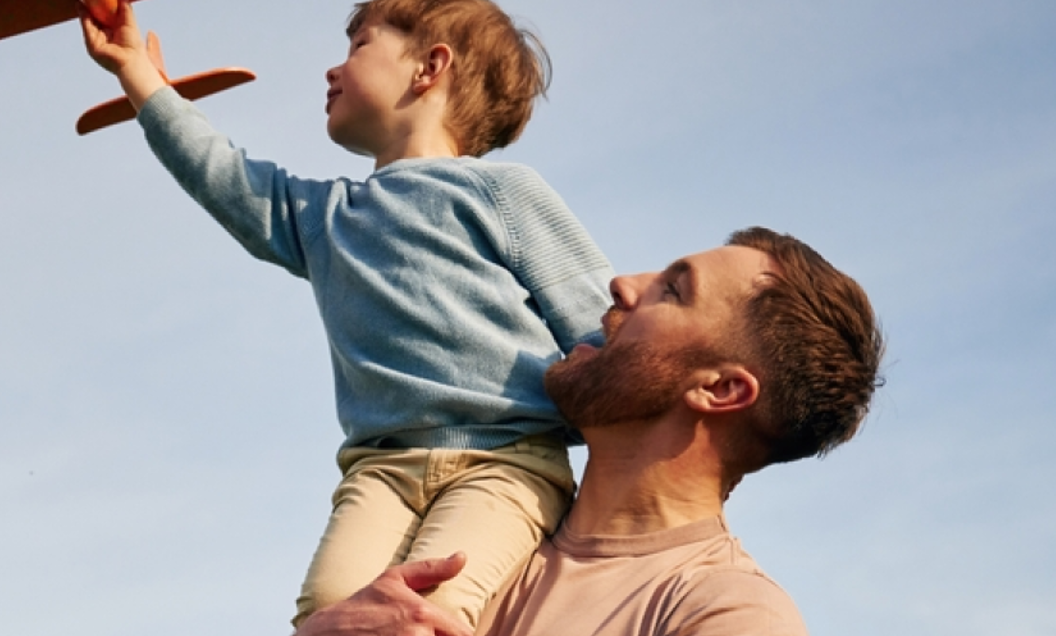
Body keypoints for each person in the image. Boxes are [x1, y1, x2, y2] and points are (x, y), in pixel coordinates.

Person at [81, 0, 613, 628]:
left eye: (358, 46)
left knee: (432, 612)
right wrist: (136, 74)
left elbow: (602, 328)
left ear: (429, 68)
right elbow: (222, 175)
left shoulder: (503, 194)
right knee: (331, 614)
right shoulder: (325, 218)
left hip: (509, 460)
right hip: (380, 470)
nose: (332, 70)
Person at [295, 227, 885, 636]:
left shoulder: (724, 610)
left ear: (720, 389)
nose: (622, 284)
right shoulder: (474, 530)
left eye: (672, 291)